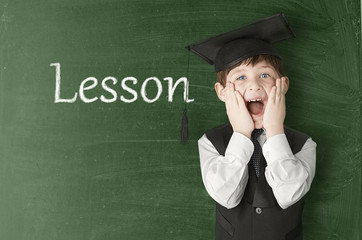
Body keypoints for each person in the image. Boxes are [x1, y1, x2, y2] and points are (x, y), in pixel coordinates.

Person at [187, 14, 316, 240]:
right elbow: (226, 196)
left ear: (282, 85)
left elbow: (289, 195)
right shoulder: (210, 142)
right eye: (240, 78)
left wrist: (275, 129)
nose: (254, 85)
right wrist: (241, 134)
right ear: (222, 92)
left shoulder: (304, 144)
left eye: (265, 75)